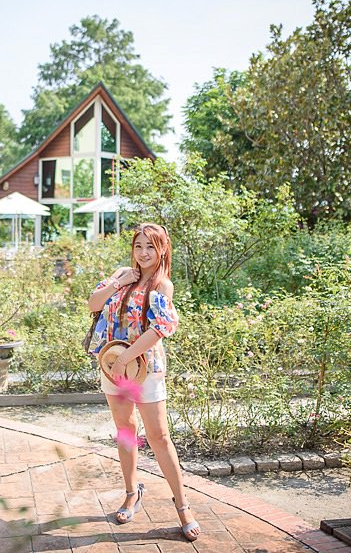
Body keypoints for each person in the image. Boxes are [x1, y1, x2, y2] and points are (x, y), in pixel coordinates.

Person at [86, 222, 201, 542]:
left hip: (144, 369)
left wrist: (127, 358)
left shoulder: (163, 285)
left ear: (162, 249)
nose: (143, 253)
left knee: (159, 436)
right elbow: (93, 304)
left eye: (151, 246)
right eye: (139, 246)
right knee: (125, 430)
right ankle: (131, 492)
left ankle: (183, 506)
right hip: (111, 366)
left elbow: (160, 328)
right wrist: (117, 282)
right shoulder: (123, 274)